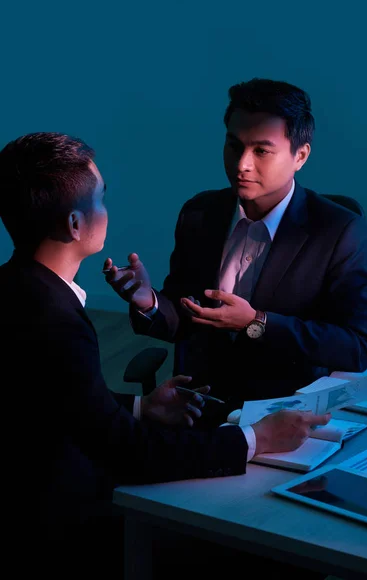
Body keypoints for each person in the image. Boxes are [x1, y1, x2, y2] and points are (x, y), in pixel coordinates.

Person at [0, 132, 330, 579]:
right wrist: (256, 441)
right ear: (75, 225)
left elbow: (55, 399)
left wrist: (140, 405)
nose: (243, 165)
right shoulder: (58, 322)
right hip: (62, 528)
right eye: (102, 198)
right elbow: (128, 452)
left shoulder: (16, 286)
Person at [105, 78, 367, 426]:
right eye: (234, 146)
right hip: (197, 410)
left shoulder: (339, 231)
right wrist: (150, 302)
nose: (242, 165)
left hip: (284, 415)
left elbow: (357, 347)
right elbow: (184, 323)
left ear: (301, 156)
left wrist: (256, 323)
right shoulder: (200, 214)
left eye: (261, 151)